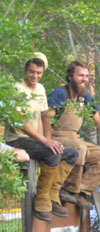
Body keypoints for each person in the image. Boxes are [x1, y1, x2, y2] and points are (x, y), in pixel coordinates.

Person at [5, 54, 79, 221]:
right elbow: (22, 122)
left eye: (39, 73)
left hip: (35, 139)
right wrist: (45, 142)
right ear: (26, 70)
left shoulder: (40, 89)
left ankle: (52, 194)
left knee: (71, 153)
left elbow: (40, 118)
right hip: (17, 139)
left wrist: (49, 140)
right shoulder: (17, 88)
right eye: (32, 72)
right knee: (52, 153)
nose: (35, 76)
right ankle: (41, 199)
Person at [44, 60, 100, 210]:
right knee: (79, 148)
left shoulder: (84, 97)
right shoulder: (60, 93)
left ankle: (80, 192)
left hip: (74, 137)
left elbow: (99, 122)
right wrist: (47, 142)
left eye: (87, 76)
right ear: (70, 77)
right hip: (57, 136)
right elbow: (47, 118)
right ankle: (69, 189)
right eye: (80, 75)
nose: (84, 79)